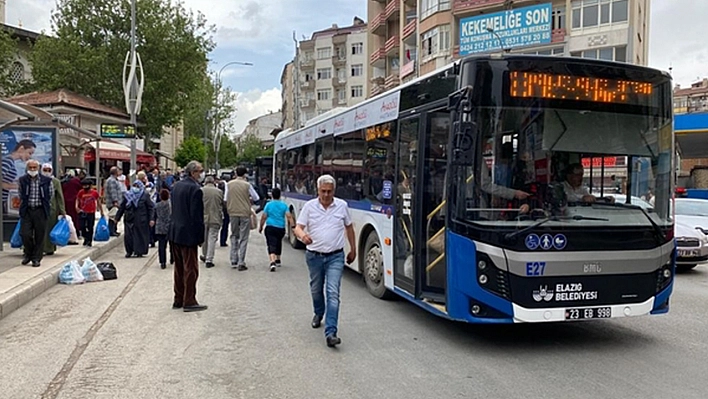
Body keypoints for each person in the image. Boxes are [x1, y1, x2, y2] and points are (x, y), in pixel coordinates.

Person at [293, 174, 356, 348]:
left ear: (334, 191)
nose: (326, 195)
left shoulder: (342, 206)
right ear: (318, 190)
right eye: (323, 191)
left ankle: (331, 332)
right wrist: (303, 235)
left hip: (335, 256)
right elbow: (298, 227)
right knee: (316, 289)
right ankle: (318, 312)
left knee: (333, 293)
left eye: (329, 191)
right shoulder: (310, 207)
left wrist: (353, 249)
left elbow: (349, 227)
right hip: (314, 257)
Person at [168, 160, 207, 312]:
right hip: (188, 234)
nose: (201, 174)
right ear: (193, 172)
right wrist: (199, 237)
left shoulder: (176, 186)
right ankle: (189, 300)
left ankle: (178, 298)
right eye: (200, 171)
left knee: (178, 268)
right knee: (191, 268)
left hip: (175, 231)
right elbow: (196, 217)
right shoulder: (196, 189)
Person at [18, 160, 52, 267]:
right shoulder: (23, 180)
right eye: (30, 167)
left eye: (34, 168)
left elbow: (50, 194)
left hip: (40, 210)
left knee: (40, 235)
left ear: (38, 168)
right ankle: (28, 254)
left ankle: (36, 258)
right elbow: (20, 194)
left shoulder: (46, 180)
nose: (32, 170)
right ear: (27, 168)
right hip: (27, 210)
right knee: (25, 234)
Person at [225, 167, 259, 270]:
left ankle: (233, 259)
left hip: (233, 212)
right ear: (245, 174)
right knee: (244, 237)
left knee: (234, 235)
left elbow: (225, 198)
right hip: (244, 212)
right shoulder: (247, 185)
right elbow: (256, 197)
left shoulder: (229, 184)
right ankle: (241, 262)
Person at [115, 180, 154, 257]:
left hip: (141, 220)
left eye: (137, 186)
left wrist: (151, 219)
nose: (135, 188)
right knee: (128, 236)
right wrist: (117, 218)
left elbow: (150, 208)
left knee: (140, 236)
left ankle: (139, 251)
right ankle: (129, 251)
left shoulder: (145, 195)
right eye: (134, 186)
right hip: (129, 219)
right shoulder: (128, 195)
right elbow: (122, 207)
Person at [258, 187, 292, 272]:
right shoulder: (284, 205)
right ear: (280, 195)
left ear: (272, 195)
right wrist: (293, 226)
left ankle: (272, 262)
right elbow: (289, 216)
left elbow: (264, 217)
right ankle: (278, 259)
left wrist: (261, 227)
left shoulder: (268, 205)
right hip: (281, 228)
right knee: (278, 242)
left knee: (271, 244)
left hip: (270, 227)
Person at [2, 139, 36, 213]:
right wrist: (19, 186)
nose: (30, 157)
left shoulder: (9, 161)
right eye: (29, 153)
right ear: (21, 148)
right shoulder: (7, 161)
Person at [42, 163, 66, 255]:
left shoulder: (55, 182)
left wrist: (62, 211)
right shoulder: (38, 180)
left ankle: (49, 248)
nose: (47, 172)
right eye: (45, 170)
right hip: (40, 209)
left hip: (52, 209)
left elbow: (59, 197)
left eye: (49, 170)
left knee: (50, 229)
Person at [200, 175, 223, 269]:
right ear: (214, 182)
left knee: (204, 238)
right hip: (215, 217)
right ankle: (209, 259)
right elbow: (222, 204)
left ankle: (205, 255)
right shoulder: (219, 192)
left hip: (203, 217)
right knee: (212, 238)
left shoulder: (201, 191)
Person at [75, 179, 102, 247]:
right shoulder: (81, 192)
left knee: (90, 226)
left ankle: (89, 240)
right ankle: (85, 237)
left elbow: (98, 201)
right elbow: (77, 199)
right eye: (83, 185)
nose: (85, 187)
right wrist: (76, 207)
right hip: (82, 211)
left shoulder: (94, 193)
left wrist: (101, 211)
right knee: (82, 226)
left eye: (86, 185)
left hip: (91, 212)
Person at [154, 189, 173, 269]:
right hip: (169, 226)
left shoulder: (157, 205)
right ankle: (173, 258)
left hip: (160, 226)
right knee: (172, 244)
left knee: (161, 246)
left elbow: (155, 216)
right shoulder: (171, 205)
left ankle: (162, 262)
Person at [61, 170, 82, 238]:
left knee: (66, 217)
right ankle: (76, 232)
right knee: (75, 218)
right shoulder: (76, 180)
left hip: (65, 201)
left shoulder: (63, 181)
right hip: (74, 201)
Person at [104, 166, 124, 237]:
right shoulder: (112, 180)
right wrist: (115, 201)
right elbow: (113, 191)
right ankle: (112, 231)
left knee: (115, 216)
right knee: (113, 217)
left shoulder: (114, 180)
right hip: (112, 202)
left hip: (115, 201)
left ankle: (114, 230)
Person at [218, 176, 230, 247]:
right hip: (225, 208)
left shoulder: (218, 186)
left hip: (218, 208)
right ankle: (223, 241)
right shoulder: (227, 186)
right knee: (225, 225)